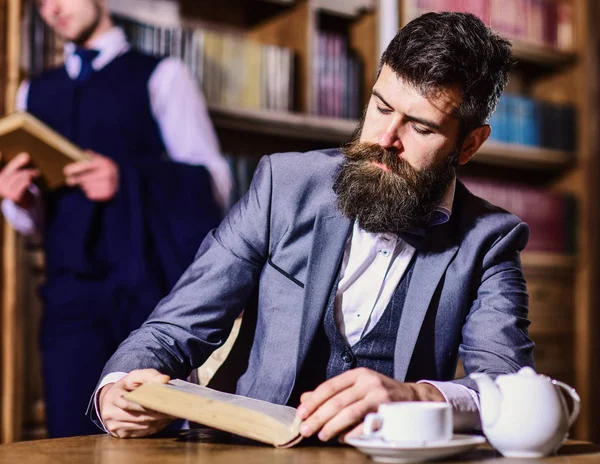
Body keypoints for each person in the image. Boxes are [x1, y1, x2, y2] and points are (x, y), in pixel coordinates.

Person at [94, 12, 535, 442]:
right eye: (381, 107)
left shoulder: (490, 239)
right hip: (246, 454)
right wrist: (115, 390)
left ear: (470, 144)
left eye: (420, 127)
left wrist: (415, 396)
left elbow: (511, 391)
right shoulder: (281, 186)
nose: (384, 139)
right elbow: (174, 329)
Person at [0, 0, 232, 438]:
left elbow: (215, 185)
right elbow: (36, 221)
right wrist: (19, 201)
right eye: (41, 3)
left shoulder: (164, 75)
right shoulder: (32, 93)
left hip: (147, 295)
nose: (51, 10)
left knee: (151, 434)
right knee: (69, 434)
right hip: (68, 297)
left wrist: (124, 178)